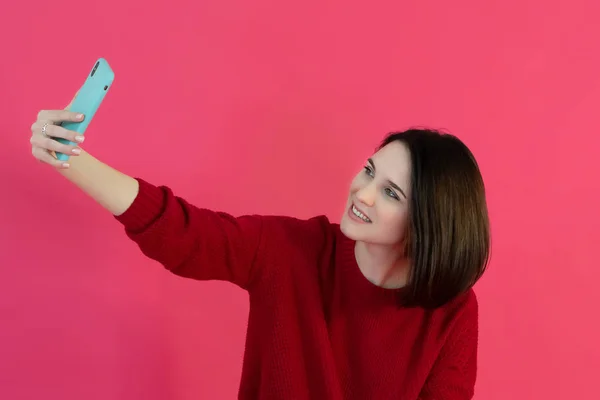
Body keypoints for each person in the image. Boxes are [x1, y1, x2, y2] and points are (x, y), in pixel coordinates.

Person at [29, 105, 490, 400]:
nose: (361, 193)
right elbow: (185, 233)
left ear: (428, 223)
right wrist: (69, 157)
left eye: (390, 193)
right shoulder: (292, 250)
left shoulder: (451, 311)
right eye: (368, 171)